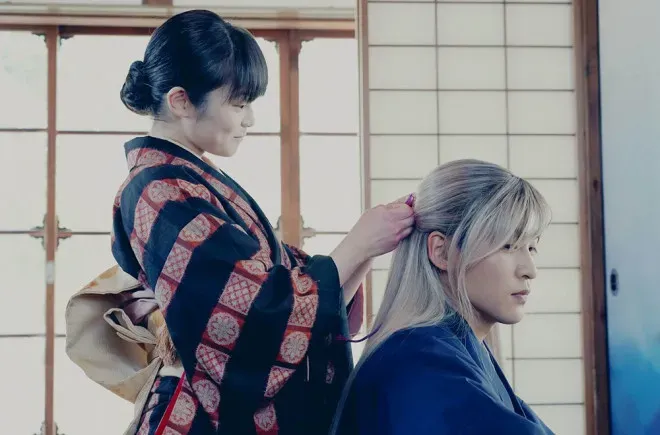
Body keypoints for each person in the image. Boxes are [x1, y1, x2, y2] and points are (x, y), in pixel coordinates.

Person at [64, 9, 414, 435]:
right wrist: (359, 245)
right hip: (196, 416)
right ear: (181, 101)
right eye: (238, 103)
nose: (249, 119)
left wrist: (367, 249)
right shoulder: (159, 189)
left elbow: (289, 284)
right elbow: (251, 311)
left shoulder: (185, 179)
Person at [330, 159, 556, 435]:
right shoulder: (418, 362)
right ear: (441, 251)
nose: (529, 270)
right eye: (508, 246)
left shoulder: (450, 347)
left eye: (531, 248)